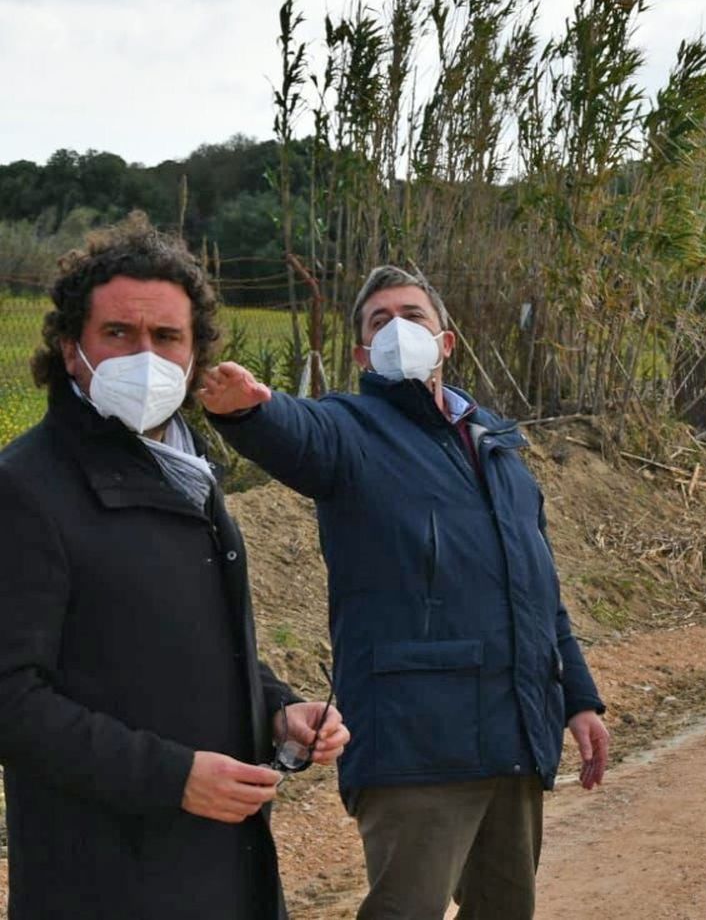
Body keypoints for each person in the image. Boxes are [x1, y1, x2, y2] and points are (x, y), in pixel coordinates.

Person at [198, 264, 609, 920]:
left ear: (446, 341)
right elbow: (300, 435)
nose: (396, 329)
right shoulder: (353, 432)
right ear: (362, 353)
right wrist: (253, 410)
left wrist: (579, 700)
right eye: (378, 321)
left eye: (412, 316)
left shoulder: (499, 450)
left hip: (514, 740)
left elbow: (540, 592)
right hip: (416, 745)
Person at [0, 215, 347, 920]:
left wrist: (279, 712)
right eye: (119, 335)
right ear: (72, 350)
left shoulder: (188, 473)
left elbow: (200, 643)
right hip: (101, 879)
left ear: (194, 357)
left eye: (166, 338)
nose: (146, 357)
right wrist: (175, 778)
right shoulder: (27, 488)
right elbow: (10, 701)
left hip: (221, 870)